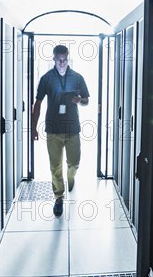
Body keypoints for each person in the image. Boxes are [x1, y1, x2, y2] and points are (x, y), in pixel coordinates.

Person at [31, 44, 90, 217]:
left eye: (65, 59)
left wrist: (79, 100)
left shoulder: (77, 78)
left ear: (68, 57)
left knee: (74, 162)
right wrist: (33, 127)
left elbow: (86, 101)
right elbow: (38, 103)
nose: (62, 63)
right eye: (59, 60)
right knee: (55, 166)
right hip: (53, 129)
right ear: (54, 59)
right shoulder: (46, 78)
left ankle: (71, 177)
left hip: (72, 128)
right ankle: (59, 198)